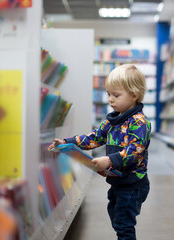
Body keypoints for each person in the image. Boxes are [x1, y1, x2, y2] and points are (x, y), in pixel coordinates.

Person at [48, 64, 151, 240]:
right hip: (118, 180)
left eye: (116, 95)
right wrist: (67, 142)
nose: (110, 99)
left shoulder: (139, 122)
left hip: (134, 183)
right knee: (115, 216)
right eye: (109, 94)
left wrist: (109, 160)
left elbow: (135, 151)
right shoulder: (113, 121)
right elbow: (94, 137)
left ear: (134, 95)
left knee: (124, 223)